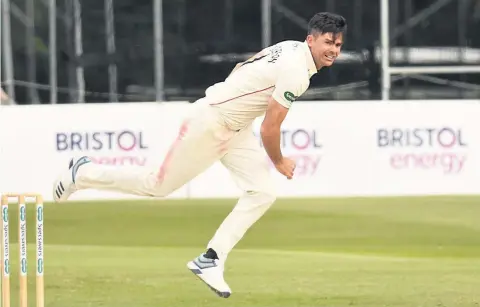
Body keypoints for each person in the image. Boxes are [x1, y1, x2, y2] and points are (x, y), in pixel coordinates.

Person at [53, 11, 347, 298]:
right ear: (311, 39)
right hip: (211, 122)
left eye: (337, 45)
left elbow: (243, 67)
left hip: (235, 127)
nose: (333, 50)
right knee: (157, 185)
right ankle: (82, 173)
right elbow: (271, 128)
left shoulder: (289, 48)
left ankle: (211, 258)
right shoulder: (297, 72)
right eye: (328, 43)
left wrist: (235, 99)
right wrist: (279, 161)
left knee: (262, 191)